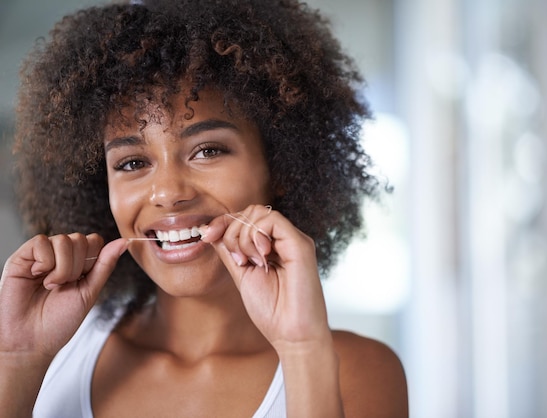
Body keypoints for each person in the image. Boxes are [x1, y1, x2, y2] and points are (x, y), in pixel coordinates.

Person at [0, 0, 408, 416]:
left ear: (280, 165)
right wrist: (18, 361)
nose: (167, 192)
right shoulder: (51, 354)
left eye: (207, 150)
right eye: (132, 163)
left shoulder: (356, 370)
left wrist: (302, 348)